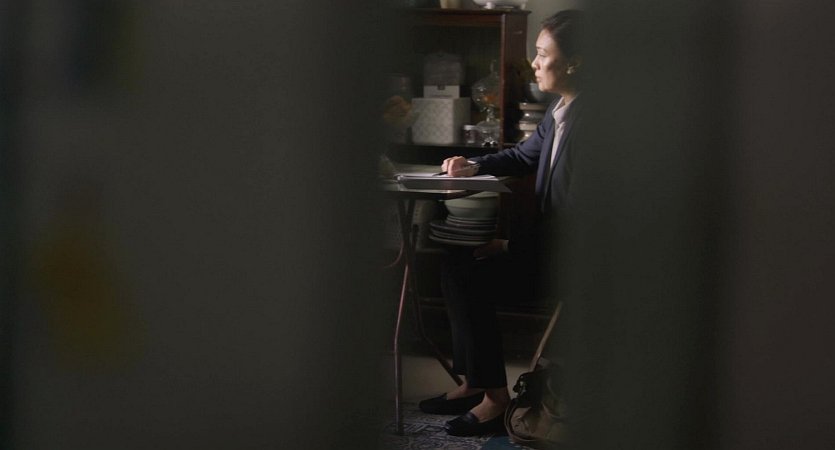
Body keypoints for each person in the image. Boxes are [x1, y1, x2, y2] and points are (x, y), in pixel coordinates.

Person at [418, 9, 586, 437]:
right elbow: (522, 156)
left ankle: (495, 400)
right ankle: (477, 383)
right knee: (455, 262)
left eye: (542, 53)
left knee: (469, 274)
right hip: (548, 253)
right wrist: (472, 165)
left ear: (574, 63)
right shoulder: (562, 110)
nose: (534, 63)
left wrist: (509, 247)